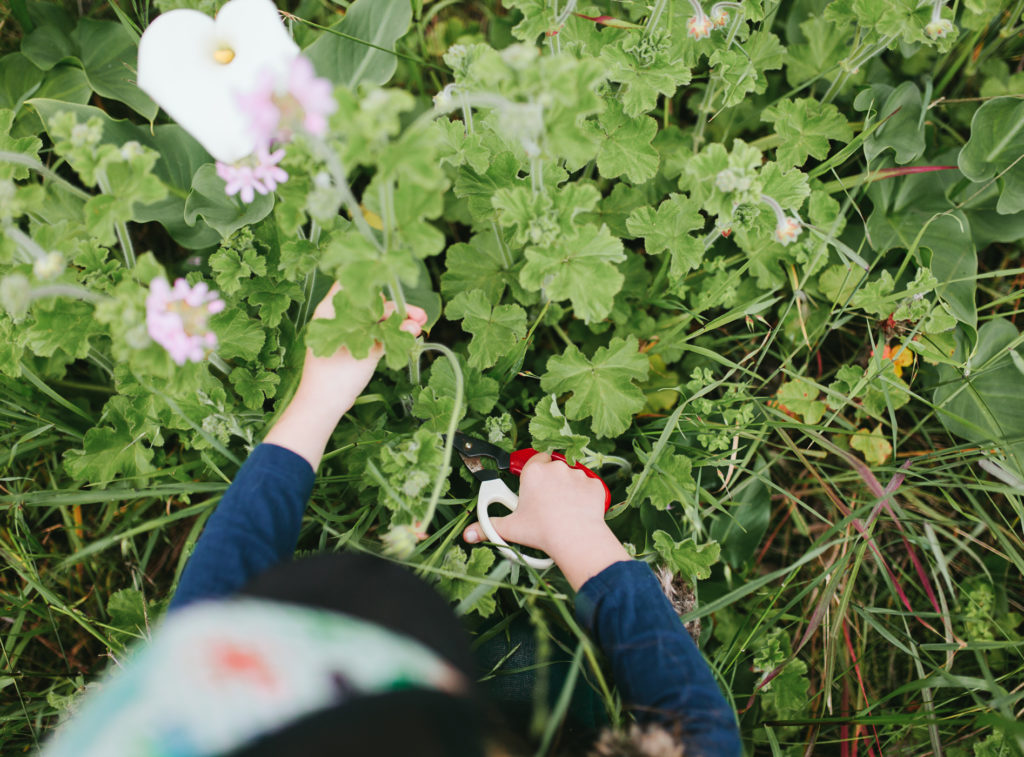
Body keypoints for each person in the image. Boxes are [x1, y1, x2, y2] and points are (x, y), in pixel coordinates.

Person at [38, 284, 742, 757]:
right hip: (523, 723)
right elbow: (702, 731)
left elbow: (208, 633)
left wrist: (315, 402)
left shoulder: (164, 728)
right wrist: (582, 536)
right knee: (560, 674)